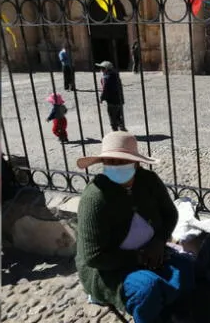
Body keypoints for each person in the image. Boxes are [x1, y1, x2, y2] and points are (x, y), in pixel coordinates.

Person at [75, 131, 195, 323]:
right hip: (110, 268)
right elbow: (93, 256)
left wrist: (158, 241)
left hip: (151, 251)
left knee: (186, 269)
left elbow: (170, 214)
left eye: (121, 162)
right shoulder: (95, 198)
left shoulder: (148, 181)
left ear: (136, 163)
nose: (115, 166)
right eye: (110, 162)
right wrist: (138, 257)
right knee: (148, 288)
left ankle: (173, 314)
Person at [96, 60, 127, 132]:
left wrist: (101, 98)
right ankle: (122, 128)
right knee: (119, 116)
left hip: (112, 102)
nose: (101, 70)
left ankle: (115, 131)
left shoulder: (105, 78)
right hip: (119, 100)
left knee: (112, 117)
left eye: (102, 69)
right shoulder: (116, 76)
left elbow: (105, 89)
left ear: (106, 69)